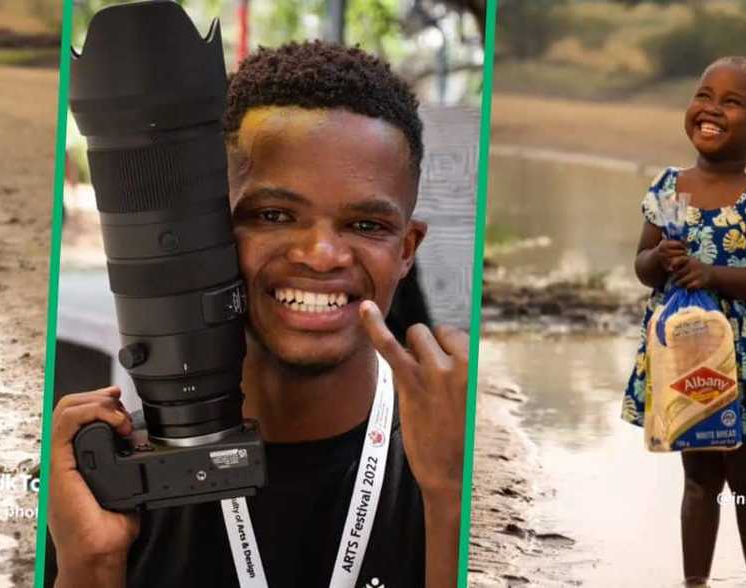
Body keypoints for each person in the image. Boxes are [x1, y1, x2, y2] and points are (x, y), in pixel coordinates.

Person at [47, 41, 468, 587]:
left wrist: (451, 499)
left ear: (407, 248)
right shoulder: (107, 487)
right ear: (212, 230)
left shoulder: (450, 464)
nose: (321, 255)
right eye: (274, 215)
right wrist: (91, 564)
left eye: (366, 225)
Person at [623, 56, 746, 586]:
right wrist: (661, 261)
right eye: (704, 95)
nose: (712, 109)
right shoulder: (671, 188)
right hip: (684, 360)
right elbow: (643, 268)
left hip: (745, 362)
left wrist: (713, 274)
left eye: (732, 102)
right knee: (698, 478)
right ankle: (694, 581)